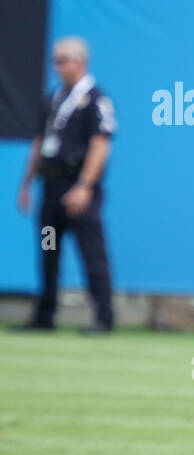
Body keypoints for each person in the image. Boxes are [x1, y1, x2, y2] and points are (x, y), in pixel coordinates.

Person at [15, 37, 116, 335]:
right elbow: (39, 144)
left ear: (79, 61)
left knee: (91, 253)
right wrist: (26, 183)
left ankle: (103, 317)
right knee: (49, 250)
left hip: (79, 189)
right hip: (51, 189)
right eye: (55, 60)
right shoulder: (53, 100)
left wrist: (85, 186)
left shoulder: (95, 101)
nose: (57, 67)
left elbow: (100, 146)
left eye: (62, 60)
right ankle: (45, 314)